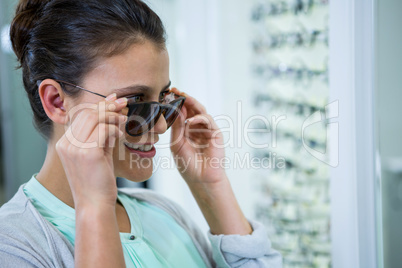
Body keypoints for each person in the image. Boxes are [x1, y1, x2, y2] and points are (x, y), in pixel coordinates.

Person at [0, 0, 282, 267]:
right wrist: (94, 208)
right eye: (136, 102)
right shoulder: (12, 244)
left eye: (164, 99)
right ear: (57, 102)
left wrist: (210, 185)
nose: (160, 126)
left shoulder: (164, 214)